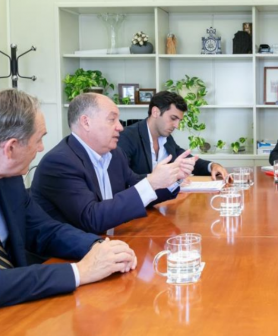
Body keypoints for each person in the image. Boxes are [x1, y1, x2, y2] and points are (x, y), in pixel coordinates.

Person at [0, 89, 137, 334]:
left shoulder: (4, 170)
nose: (41, 148)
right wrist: (78, 272)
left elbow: (42, 229)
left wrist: (98, 247)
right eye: (39, 139)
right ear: (10, 148)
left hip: (17, 312)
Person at [32, 93, 194, 234]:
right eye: (112, 120)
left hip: (113, 239)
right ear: (86, 122)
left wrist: (174, 177)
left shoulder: (114, 154)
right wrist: (151, 182)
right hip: (70, 256)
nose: (120, 127)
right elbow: (92, 218)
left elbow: (141, 194)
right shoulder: (60, 163)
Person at [118, 91, 228, 180]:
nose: (177, 125)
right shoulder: (128, 137)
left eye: (179, 120)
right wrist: (159, 179)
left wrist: (212, 166)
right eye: (173, 118)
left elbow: (186, 159)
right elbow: (124, 179)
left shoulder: (166, 137)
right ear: (155, 112)